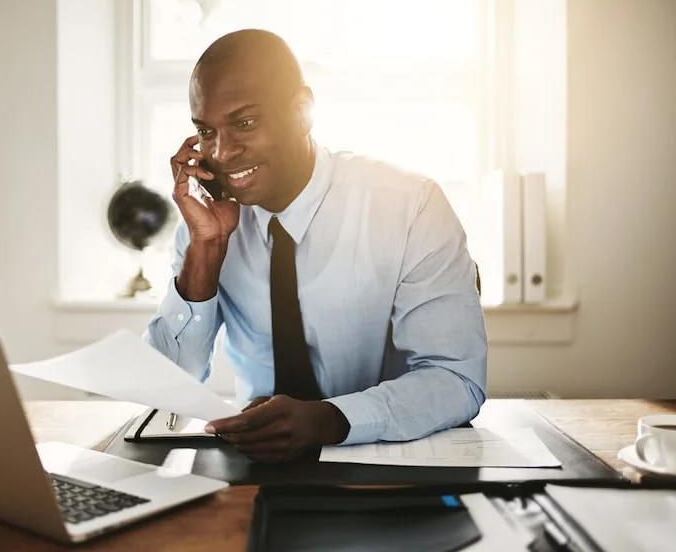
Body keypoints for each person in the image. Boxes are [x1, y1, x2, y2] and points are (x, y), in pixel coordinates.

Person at [145, 29, 487, 463]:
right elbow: (166, 387)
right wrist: (206, 251)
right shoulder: (205, 227)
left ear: (302, 111)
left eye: (244, 122)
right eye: (205, 131)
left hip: (395, 463)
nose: (223, 151)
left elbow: (456, 380)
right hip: (257, 467)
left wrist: (329, 419)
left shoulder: (409, 205)